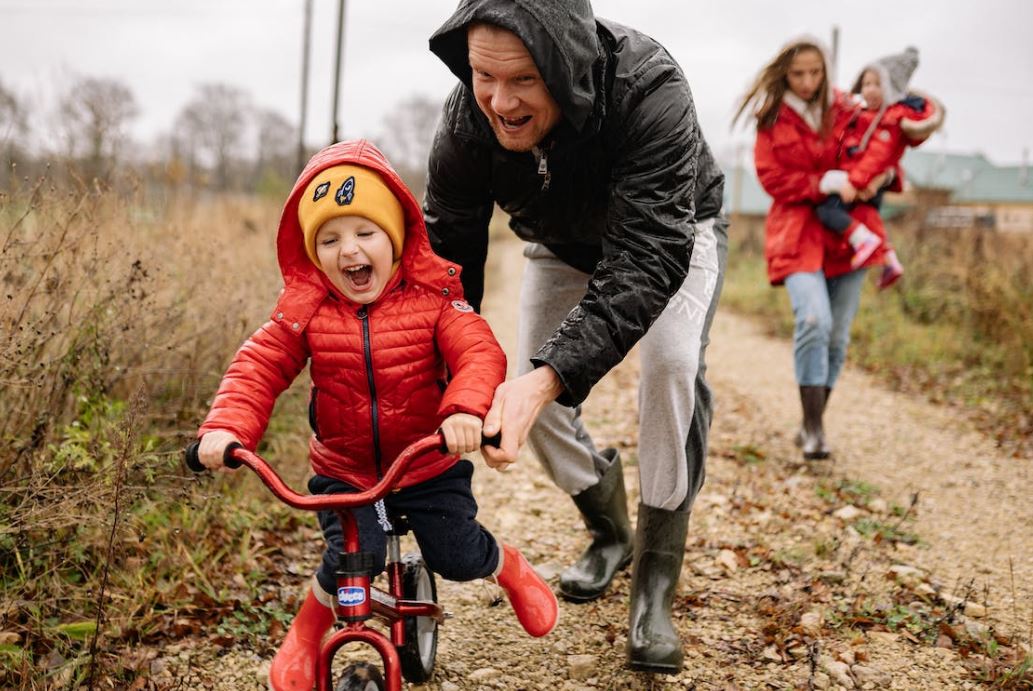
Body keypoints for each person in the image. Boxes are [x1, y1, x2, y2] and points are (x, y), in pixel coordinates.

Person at [424, 0, 727, 674]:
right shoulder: (463, 121)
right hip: (557, 243)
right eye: (482, 76)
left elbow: (648, 258)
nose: (499, 102)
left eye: (523, 80)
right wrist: (443, 376)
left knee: (670, 365)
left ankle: (654, 585)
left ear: (565, 66)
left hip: (672, 232)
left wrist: (547, 377)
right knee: (533, 390)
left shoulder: (649, 88)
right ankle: (608, 529)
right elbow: (447, 260)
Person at [195, 139, 558, 691]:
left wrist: (462, 411)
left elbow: (479, 352)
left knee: (456, 555)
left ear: (394, 237)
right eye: (330, 238)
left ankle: (507, 565)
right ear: (314, 253)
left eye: (365, 233)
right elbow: (259, 366)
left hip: (425, 464)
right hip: (346, 470)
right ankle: (303, 636)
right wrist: (226, 427)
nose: (350, 251)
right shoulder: (306, 310)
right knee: (351, 563)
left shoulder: (434, 300)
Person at [734, 37, 892, 461]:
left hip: (848, 233)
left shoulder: (846, 108)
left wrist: (885, 172)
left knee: (838, 337)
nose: (807, 82)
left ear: (825, 72)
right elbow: (771, 177)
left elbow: (882, 142)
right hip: (797, 231)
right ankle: (814, 428)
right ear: (785, 73)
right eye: (798, 74)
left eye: (814, 72)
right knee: (814, 320)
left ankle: (811, 422)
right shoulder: (771, 117)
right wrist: (820, 183)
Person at [816, 46, 944, 289]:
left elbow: (877, 157)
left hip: (860, 182)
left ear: (892, 89)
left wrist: (854, 182)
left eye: (877, 84)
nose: (870, 90)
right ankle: (889, 259)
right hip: (863, 181)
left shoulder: (888, 121)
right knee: (868, 217)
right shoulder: (863, 115)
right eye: (866, 83)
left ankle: (862, 241)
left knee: (828, 211)